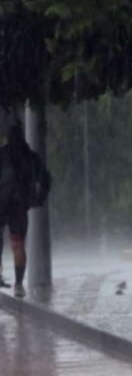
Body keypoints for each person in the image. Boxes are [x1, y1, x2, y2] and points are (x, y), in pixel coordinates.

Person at [0, 121, 51, 298]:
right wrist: (38, 199)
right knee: (18, 245)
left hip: (1, 202)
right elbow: (45, 179)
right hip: (19, 206)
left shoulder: (2, 154)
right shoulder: (31, 157)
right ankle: (18, 284)